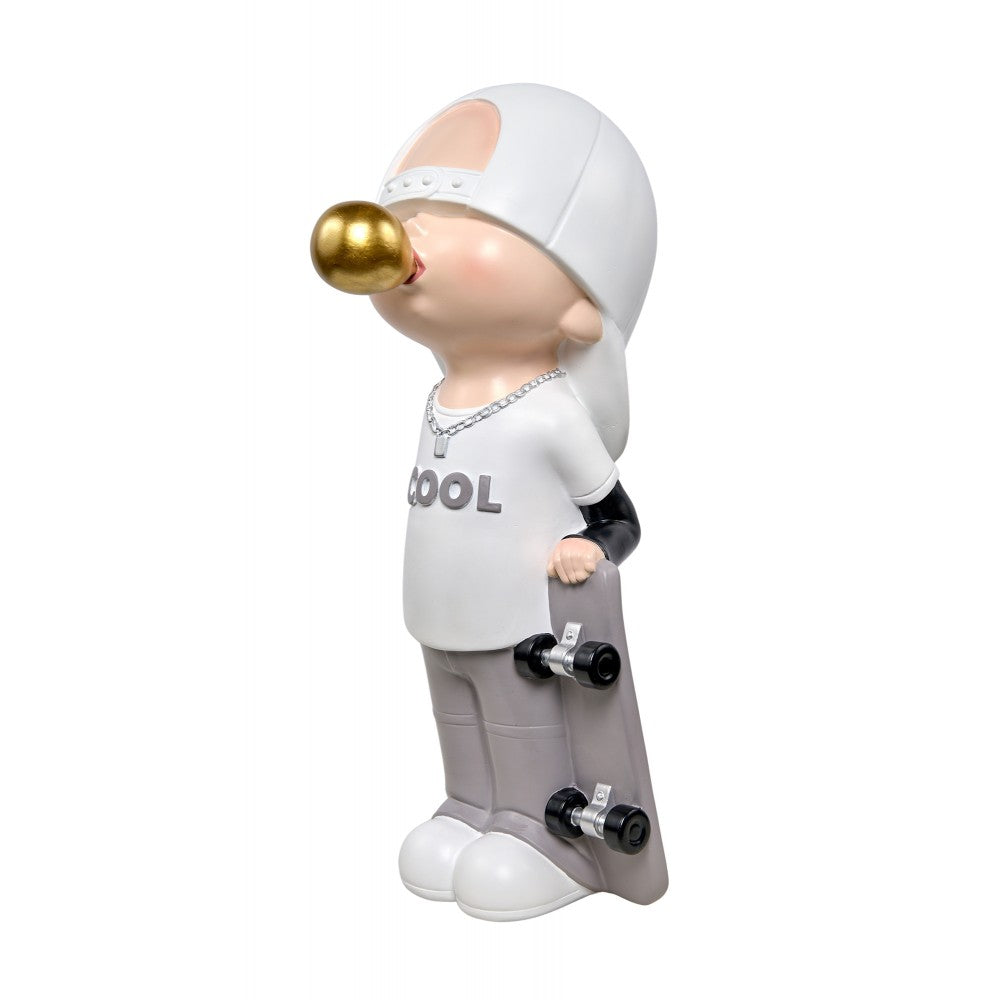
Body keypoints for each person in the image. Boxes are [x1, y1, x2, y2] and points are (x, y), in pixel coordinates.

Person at [367, 84, 657, 920]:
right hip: (439, 616)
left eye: (463, 222)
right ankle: (470, 807)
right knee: (458, 720)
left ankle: (540, 833)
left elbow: (618, 517)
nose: (408, 242)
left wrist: (590, 549)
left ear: (581, 307)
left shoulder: (549, 410)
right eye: (409, 215)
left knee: (518, 724)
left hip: (519, 625)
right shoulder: (438, 400)